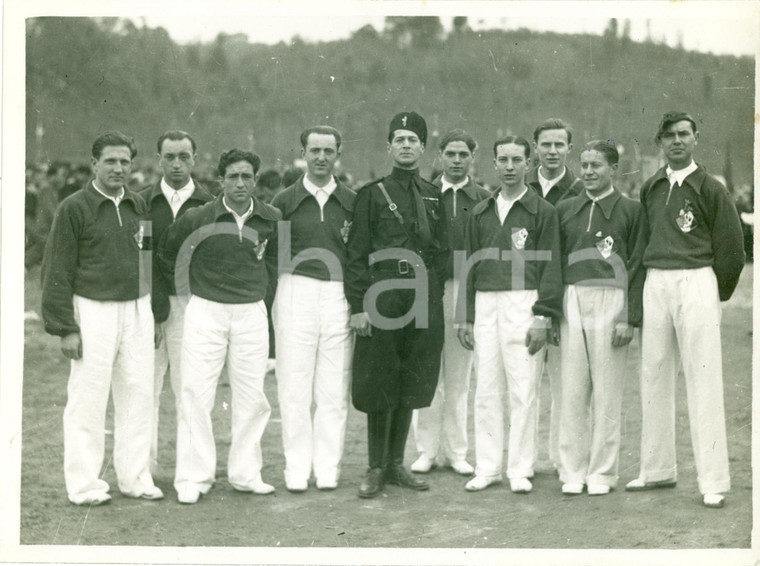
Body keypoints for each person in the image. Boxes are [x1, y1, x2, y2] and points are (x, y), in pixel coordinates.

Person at [625, 111, 745, 509]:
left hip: (696, 280)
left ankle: (713, 480)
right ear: (659, 142)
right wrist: (639, 297)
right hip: (657, 281)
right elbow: (641, 245)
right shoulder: (652, 187)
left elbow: (732, 250)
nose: (676, 141)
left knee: (703, 378)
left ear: (695, 139)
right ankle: (657, 469)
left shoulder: (711, 188)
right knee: (653, 374)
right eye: (669, 136)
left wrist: (713, 293)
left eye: (684, 135)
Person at [40, 131, 163, 505]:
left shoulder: (139, 205)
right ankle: (84, 484)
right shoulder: (73, 208)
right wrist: (65, 328)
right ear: (94, 164)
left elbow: (147, 261)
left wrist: (154, 313)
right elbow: (57, 268)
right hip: (93, 309)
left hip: (137, 309)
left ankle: (135, 477)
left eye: (125, 161)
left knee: (139, 394)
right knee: (88, 397)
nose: (118, 168)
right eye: (110, 161)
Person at [158, 148, 282, 504]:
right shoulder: (199, 216)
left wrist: (260, 292)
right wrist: (191, 295)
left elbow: (275, 262)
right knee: (196, 392)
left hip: (250, 313)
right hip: (206, 311)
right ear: (221, 180)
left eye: (247, 177)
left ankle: (246, 473)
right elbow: (169, 253)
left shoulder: (270, 218)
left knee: (252, 395)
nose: (240, 183)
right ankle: (194, 477)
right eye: (233, 177)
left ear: (255, 181)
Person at [345, 111, 447, 499]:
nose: (406, 146)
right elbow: (356, 254)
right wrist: (358, 305)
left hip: (422, 296)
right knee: (379, 377)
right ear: (389, 147)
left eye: (413, 140)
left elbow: (442, 251)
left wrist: (433, 298)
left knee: (410, 377)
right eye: (399, 139)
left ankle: (395, 464)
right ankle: (374, 467)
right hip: (382, 294)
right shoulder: (372, 195)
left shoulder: (433, 194)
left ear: (423, 147)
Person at [459, 136, 562, 494]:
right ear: (493, 163)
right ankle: (487, 467)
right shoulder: (480, 211)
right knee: (485, 388)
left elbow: (552, 266)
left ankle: (520, 467)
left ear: (529, 164)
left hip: (524, 301)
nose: (509, 166)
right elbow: (469, 265)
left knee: (523, 388)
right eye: (502, 159)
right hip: (487, 302)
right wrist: (465, 315)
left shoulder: (542, 211)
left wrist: (543, 316)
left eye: (517, 160)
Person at [555, 141, 647, 495]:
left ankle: (603, 473)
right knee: (573, 389)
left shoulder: (630, 210)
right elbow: (554, 262)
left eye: (597, 166)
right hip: (573, 296)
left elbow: (636, 264)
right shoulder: (565, 209)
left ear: (613, 169)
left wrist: (627, 317)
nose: (589, 172)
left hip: (612, 297)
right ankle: (572, 471)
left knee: (607, 391)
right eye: (585, 165)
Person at [268, 126, 355, 492]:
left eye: (328, 151)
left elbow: (357, 256)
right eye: (314, 150)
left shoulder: (352, 201)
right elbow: (274, 256)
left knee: (334, 388)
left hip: (338, 294)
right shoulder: (284, 201)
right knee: (294, 386)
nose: (321, 157)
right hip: (294, 291)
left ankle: (327, 467)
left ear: (338, 154)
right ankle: (297, 467)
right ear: (303, 152)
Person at [410, 129, 490, 476]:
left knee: (460, 376)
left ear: (473, 158)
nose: (457, 161)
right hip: (428, 289)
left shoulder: (485, 198)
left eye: (463, 154)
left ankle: (457, 451)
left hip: (465, 289)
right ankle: (426, 449)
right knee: (427, 372)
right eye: (451, 154)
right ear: (439, 156)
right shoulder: (424, 195)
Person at [138, 130, 213, 473]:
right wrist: (151, 305)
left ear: (194, 159)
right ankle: (143, 469)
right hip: (147, 305)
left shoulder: (209, 204)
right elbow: (139, 258)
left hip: (190, 306)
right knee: (143, 389)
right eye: (170, 157)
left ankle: (191, 472)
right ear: (158, 160)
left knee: (190, 389)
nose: (177, 164)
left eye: (184, 156)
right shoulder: (141, 203)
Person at [526, 118, 582, 474]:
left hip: (562, 294)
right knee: (526, 382)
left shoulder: (579, 188)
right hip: (524, 293)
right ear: (535, 148)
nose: (552, 151)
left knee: (565, 384)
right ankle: (524, 459)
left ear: (569, 149)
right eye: (545, 144)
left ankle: (564, 459)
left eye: (559, 145)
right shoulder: (521, 185)